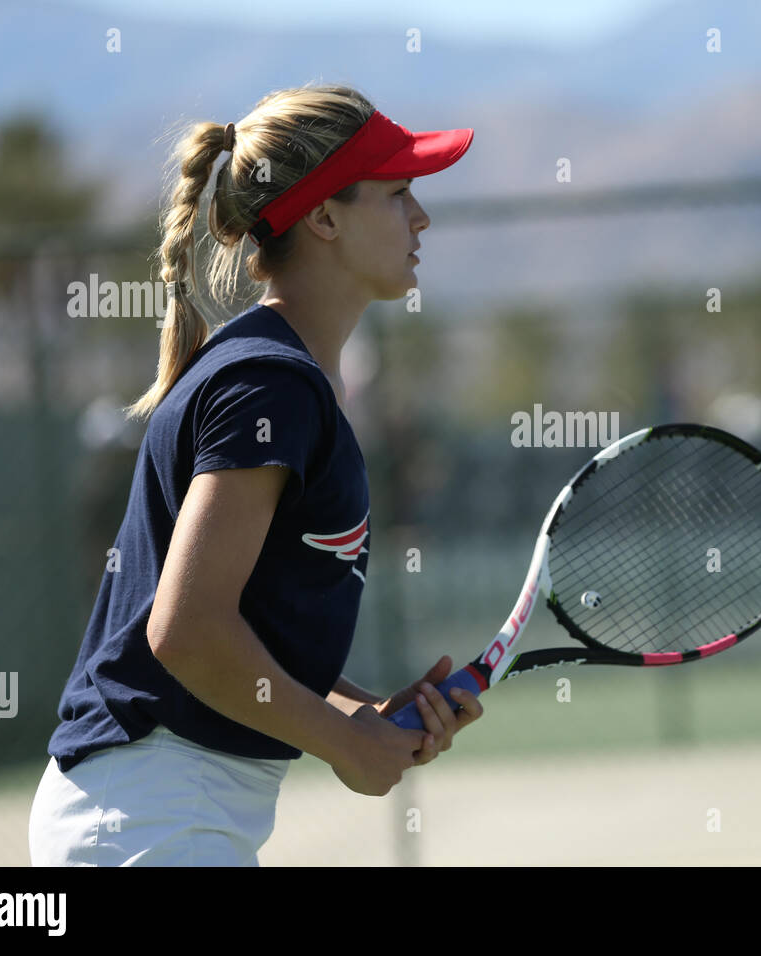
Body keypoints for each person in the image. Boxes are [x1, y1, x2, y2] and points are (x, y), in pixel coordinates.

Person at [28, 84, 482, 866]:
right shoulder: (270, 384)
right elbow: (187, 631)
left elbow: (236, 632)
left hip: (158, 814)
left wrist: (364, 714)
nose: (422, 218)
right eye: (399, 193)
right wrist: (344, 743)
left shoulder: (278, 377)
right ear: (325, 218)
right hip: (148, 818)